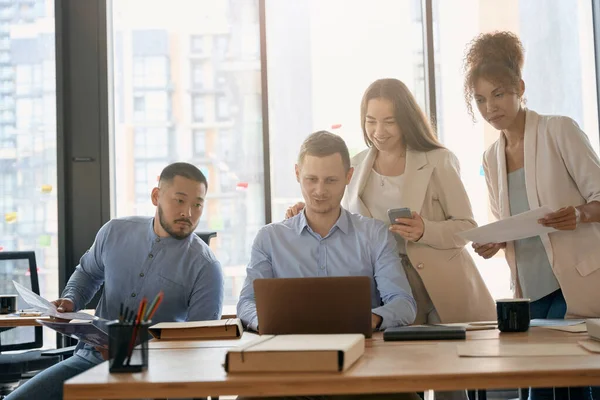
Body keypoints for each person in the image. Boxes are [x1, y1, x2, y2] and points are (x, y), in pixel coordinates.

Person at [286, 79, 495, 327]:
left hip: (445, 287)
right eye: (371, 121)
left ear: (406, 120)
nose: (378, 131)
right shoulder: (355, 166)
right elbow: (339, 216)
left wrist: (425, 230)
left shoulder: (438, 160)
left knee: (452, 360)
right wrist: (306, 210)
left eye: (389, 122)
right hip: (389, 288)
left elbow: (466, 227)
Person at [7, 162, 224, 400]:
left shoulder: (207, 267)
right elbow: (88, 273)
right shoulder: (114, 232)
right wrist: (71, 299)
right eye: (180, 200)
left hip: (154, 376)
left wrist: (133, 353)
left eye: (197, 204)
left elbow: (200, 345)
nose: (188, 213)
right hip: (89, 360)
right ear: (156, 196)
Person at [464, 31, 600, 400]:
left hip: (575, 283)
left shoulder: (559, 130)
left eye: (498, 94)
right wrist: (494, 241)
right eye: (480, 99)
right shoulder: (490, 158)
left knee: (568, 386)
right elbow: (510, 225)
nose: (490, 107)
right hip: (528, 291)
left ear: (519, 88)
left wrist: (580, 213)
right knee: (540, 387)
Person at [238, 130, 419, 400]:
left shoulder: (374, 234)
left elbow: (404, 303)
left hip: (362, 369)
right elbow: (246, 302)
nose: (320, 191)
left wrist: (372, 318)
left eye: (331, 180)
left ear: (348, 177)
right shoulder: (270, 238)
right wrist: (266, 321)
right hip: (288, 371)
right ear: (297, 173)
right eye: (311, 179)